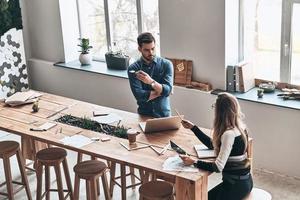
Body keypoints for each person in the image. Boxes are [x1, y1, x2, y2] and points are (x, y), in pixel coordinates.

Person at [180, 92, 253, 200]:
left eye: (214, 107)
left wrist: (194, 162)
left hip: (234, 186)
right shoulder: (241, 128)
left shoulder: (229, 134)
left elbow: (218, 167)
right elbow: (214, 145)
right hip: (244, 182)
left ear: (220, 112)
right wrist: (193, 128)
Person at [127, 32, 173, 118]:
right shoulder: (133, 69)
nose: (151, 52)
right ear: (140, 49)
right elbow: (139, 96)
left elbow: (168, 90)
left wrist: (151, 82)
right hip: (144, 115)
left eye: (153, 48)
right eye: (146, 50)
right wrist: (162, 90)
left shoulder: (167, 64)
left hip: (164, 115)